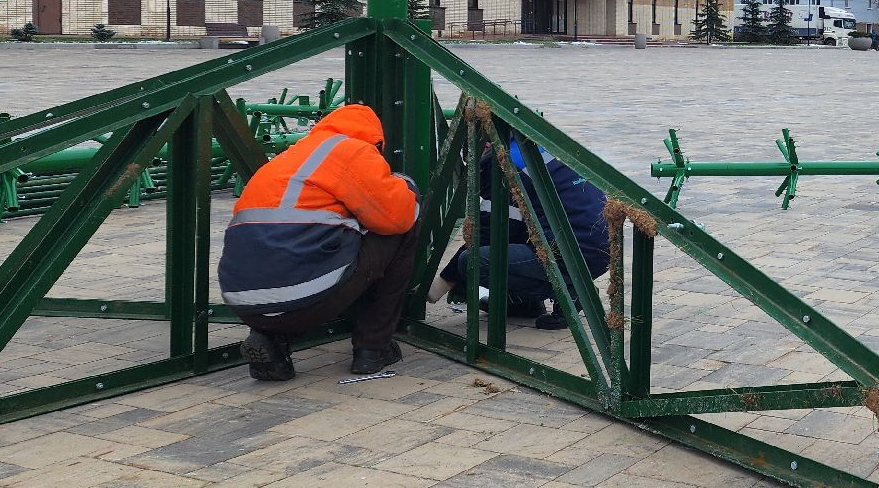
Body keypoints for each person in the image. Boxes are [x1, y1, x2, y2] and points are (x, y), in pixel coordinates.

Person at [219, 103, 420, 381]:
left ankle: (269, 338)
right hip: (306, 301)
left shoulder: (291, 156)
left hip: (243, 302)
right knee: (402, 223)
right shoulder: (354, 150)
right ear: (376, 140)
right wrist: (404, 184)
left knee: (284, 254)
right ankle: (373, 348)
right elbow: (397, 217)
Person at [428, 141, 610, 329]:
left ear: (487, 146)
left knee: (472, 261)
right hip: (601, 247)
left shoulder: (502, 164)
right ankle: (524, 304)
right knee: (515, 240)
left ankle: (570, 291)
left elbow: (488, 232)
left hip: (573, 252)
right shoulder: (535, 145)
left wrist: (444, 281)